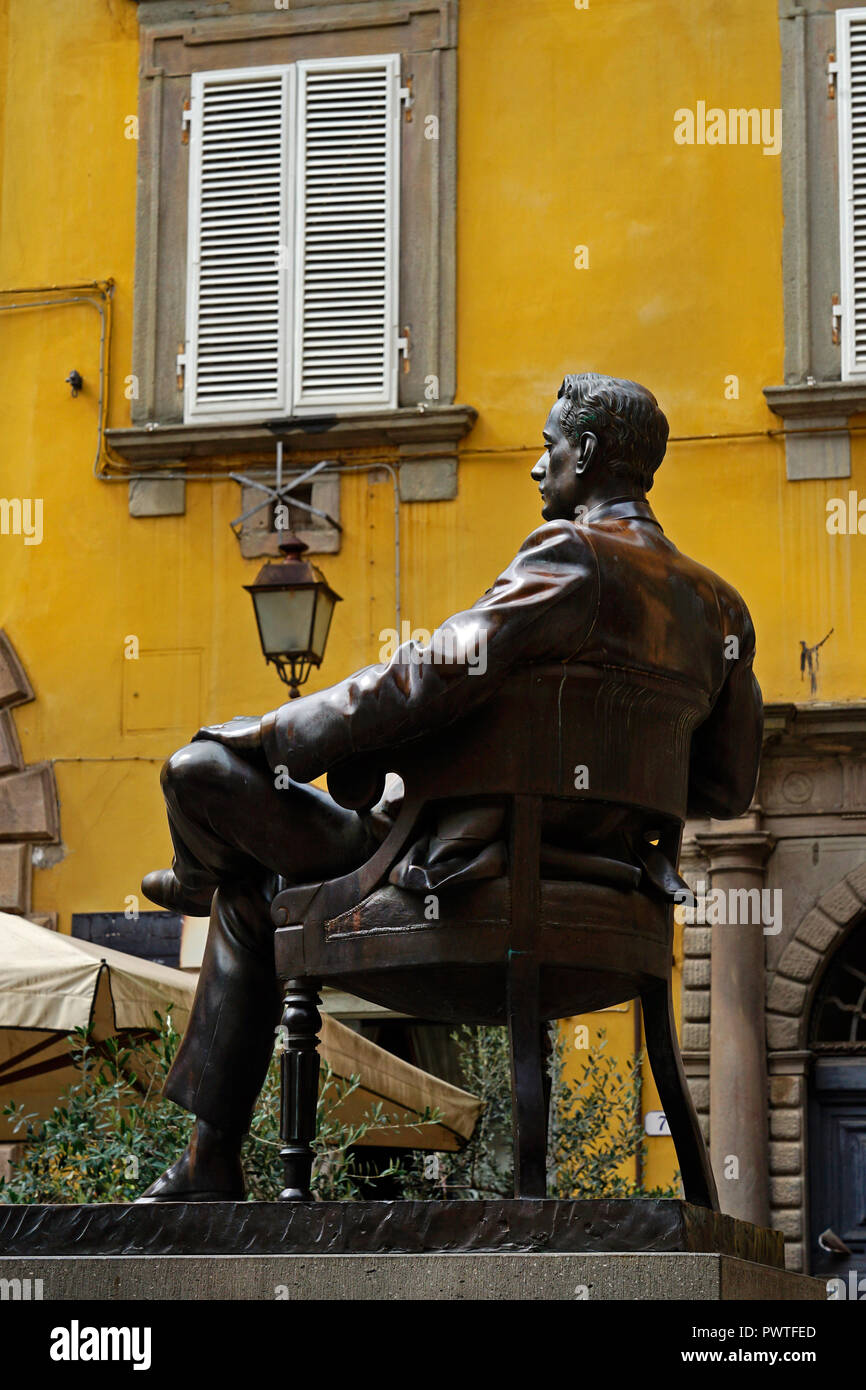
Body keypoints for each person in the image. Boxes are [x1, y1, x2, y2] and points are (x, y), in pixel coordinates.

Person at [137, 372, 762, 1201]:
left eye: (550, 448)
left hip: (458, 873)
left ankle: (200, 886)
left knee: (197, 773)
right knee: (249, 893)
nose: (539, 469)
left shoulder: (570, 556)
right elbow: (724, 786)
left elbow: (424, 673)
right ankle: (206, 1154)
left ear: (591, 453)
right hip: (612, 897)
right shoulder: (722, 609)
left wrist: (273, 733)